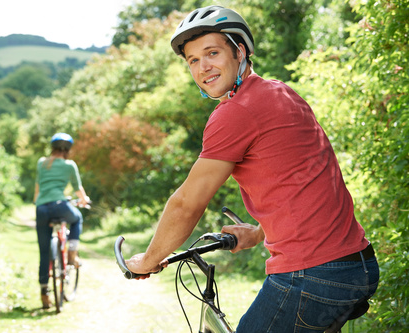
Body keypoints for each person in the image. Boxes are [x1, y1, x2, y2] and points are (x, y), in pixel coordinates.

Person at [125, 5, 379, 332]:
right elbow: (304, 181)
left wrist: (148, 259)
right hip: (354, 263)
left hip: (313, 274)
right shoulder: (281, 93)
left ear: (239, 51)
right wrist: (259, 232)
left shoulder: (236, 112)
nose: (203, 67)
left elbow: (187, 203)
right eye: (193, 60)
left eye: (212, 52)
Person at [33, 132, 90, 309]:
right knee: (77, 218)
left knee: (44, 252)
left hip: (41, 208)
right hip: (60, 205)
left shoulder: (42, 163)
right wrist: (84, 200)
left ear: (52, 148)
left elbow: (37, 189)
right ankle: (72, 253)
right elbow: (78, 188)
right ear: (68, 150)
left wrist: (38, 202)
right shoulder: (69, 165)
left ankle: (44, 294)